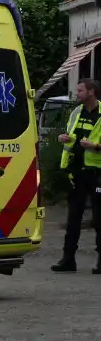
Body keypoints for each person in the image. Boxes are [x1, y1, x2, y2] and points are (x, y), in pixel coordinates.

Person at [53, 79, 101, 273]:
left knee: (99, 219)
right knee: (73, 218)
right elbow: (70, 136)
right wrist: (63, 138)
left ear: (91, 92)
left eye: (80, 90)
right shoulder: (76, 112)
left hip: (97, 173)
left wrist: (95, 147)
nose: (77, 93)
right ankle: (68, 259)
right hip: (77, 172)